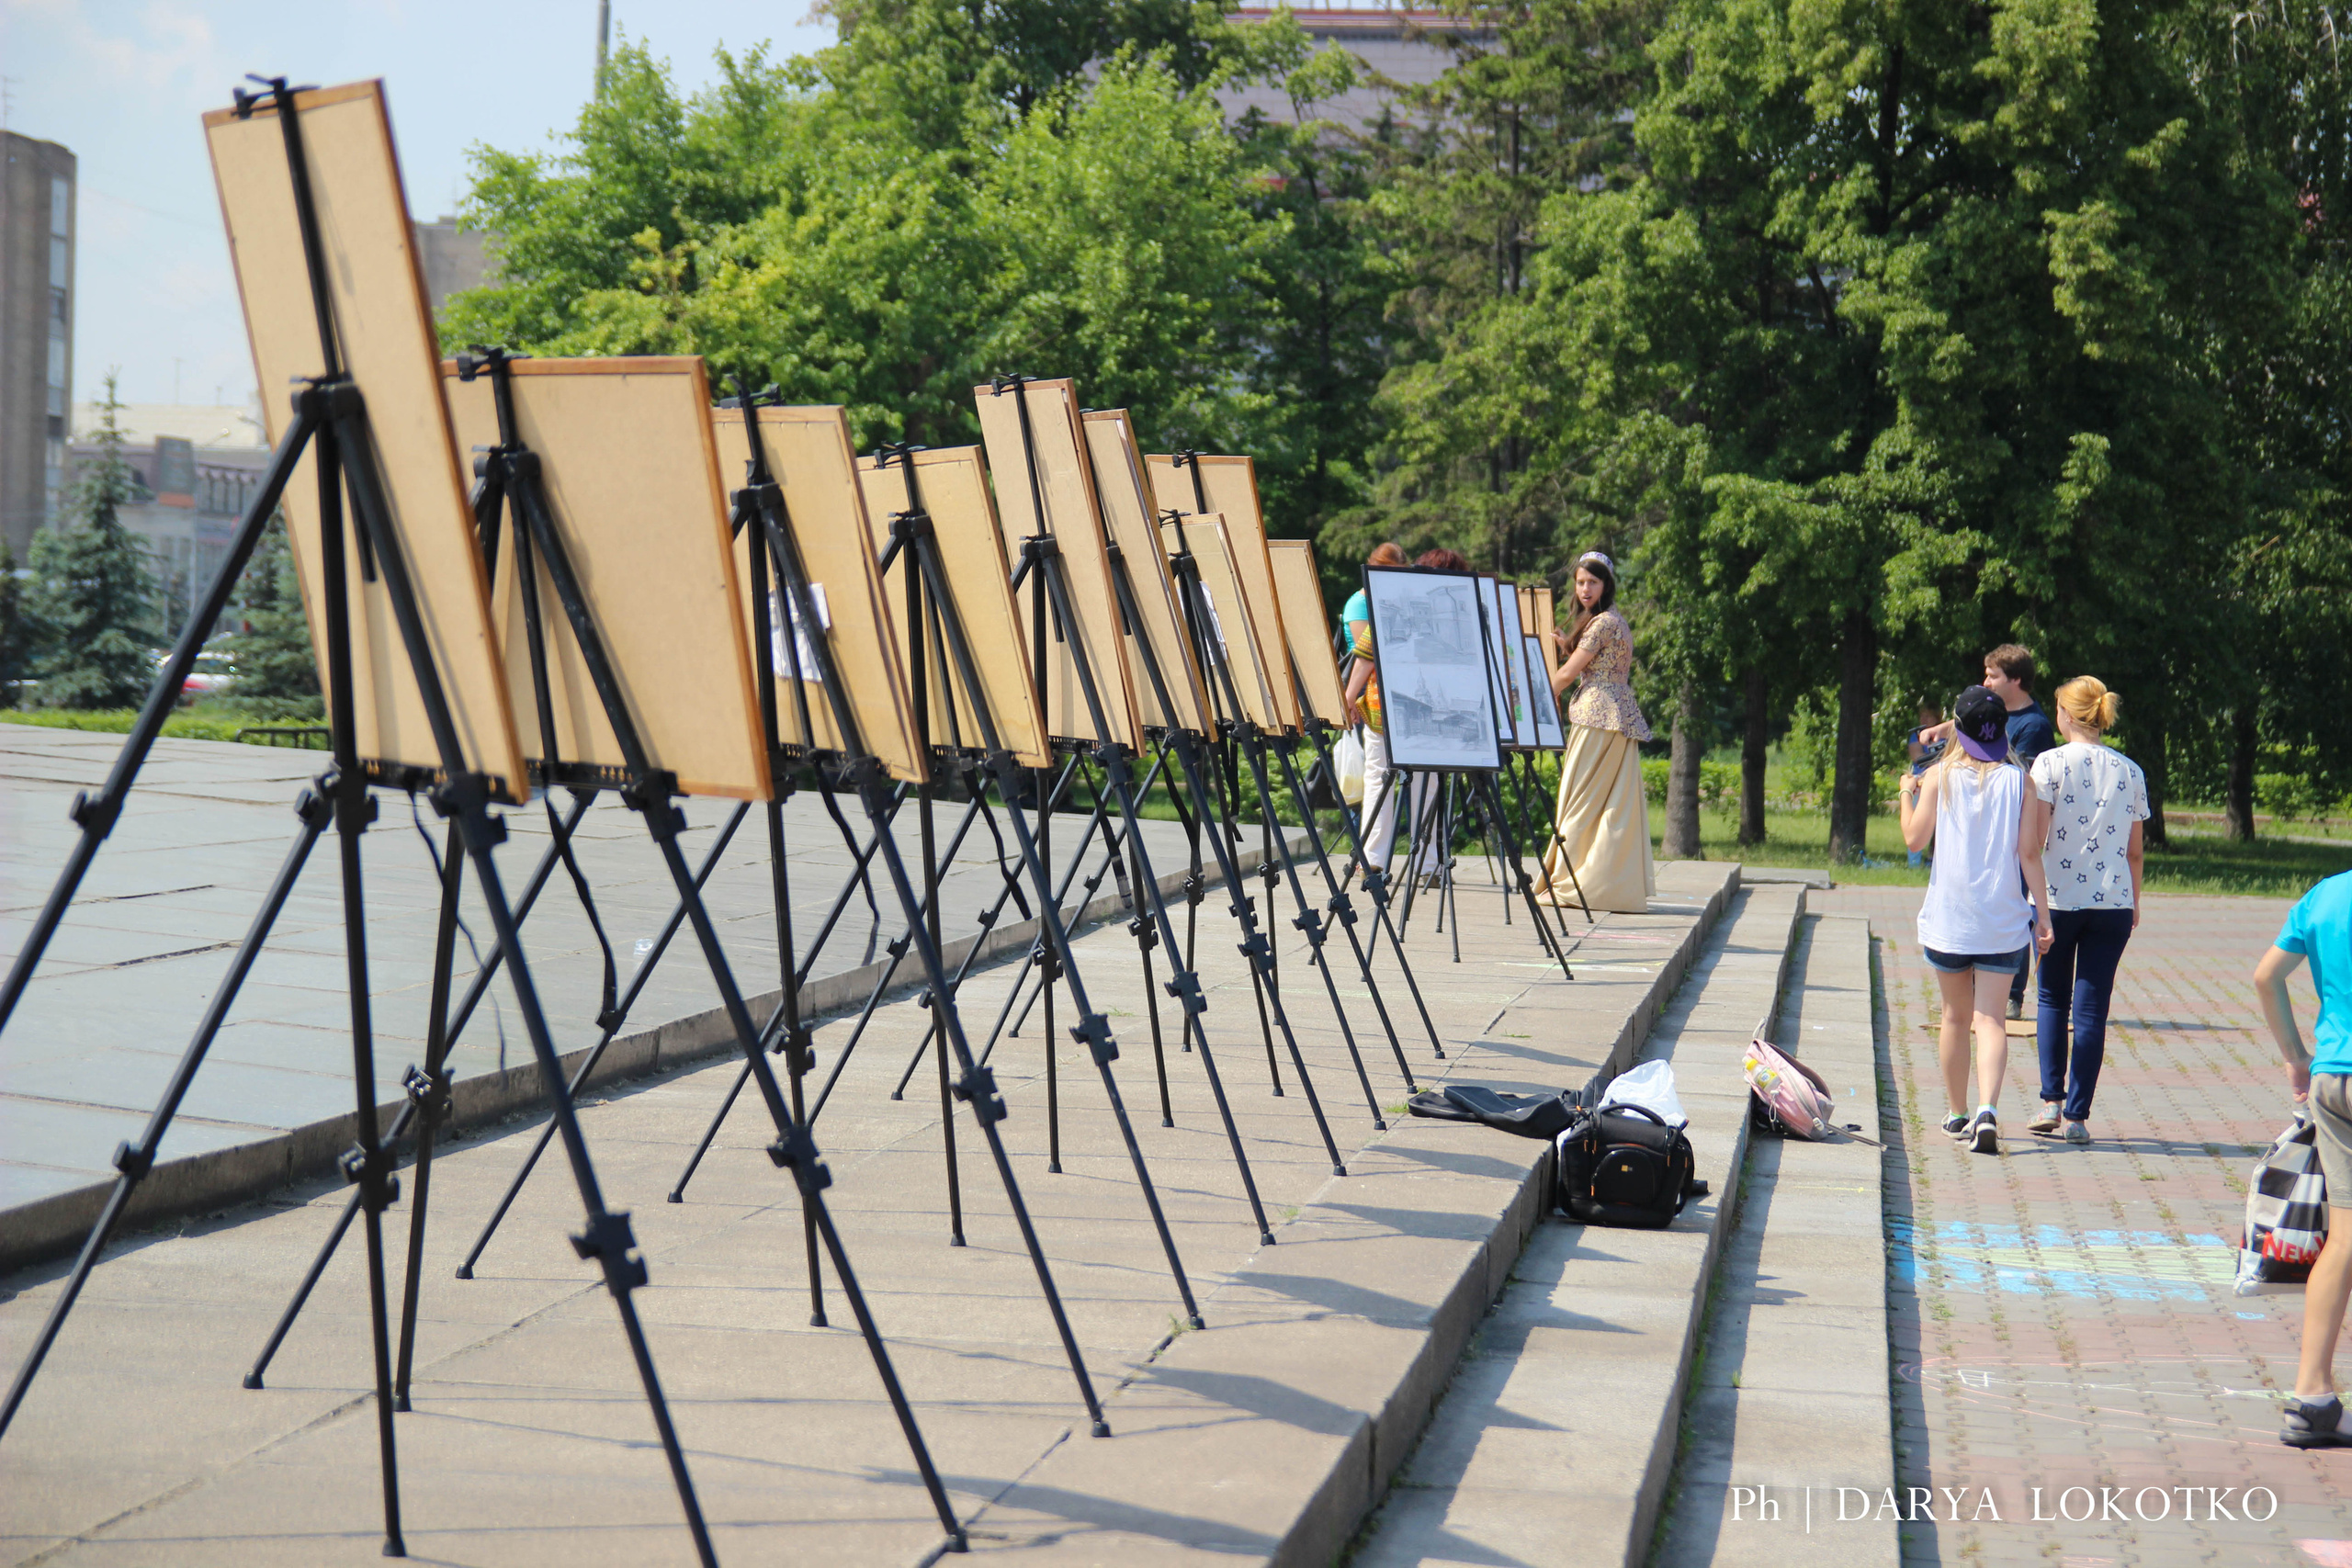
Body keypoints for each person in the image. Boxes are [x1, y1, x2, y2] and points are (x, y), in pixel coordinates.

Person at [1899, 685, 2052, 1155]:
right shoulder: (2021, 781)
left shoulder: (1940, 775)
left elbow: (1914, 840)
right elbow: (2030, 855)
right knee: (1991, 1021)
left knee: (1954, 1017)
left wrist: (1907, 792)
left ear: (1957, 730)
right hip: (2003, 919)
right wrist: (2043, 918)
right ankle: (1989, 1109)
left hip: (1951, 920)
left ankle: (1958, 1112)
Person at [2021, 677, 2148, 1144]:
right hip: (2113, 902)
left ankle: (2049, 1102)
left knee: (2052, 998)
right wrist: (2135, 900)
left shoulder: (2049, 763)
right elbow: (2135, 851)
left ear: (2067, 716)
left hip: (2058, 899)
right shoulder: (2131, 771)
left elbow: (2036, 839)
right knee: (2092, 1010)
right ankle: (2077, 1117)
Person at [2252, 869, 2352, 1448]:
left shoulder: (2325, 894)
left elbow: (2267, 977)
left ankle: (2311, 1396)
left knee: (2343, 1239)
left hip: (2333, 1076)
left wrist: (2295, 1056)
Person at [1923, 646, 2058, 1017]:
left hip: (2008, 831)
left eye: (1993, 675)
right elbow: (1974, 722)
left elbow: (2015, 775)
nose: (1986, 681)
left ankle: (2012, 992)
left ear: (2016, 680)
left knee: (2007, 910)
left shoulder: (2034, 726)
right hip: (1986, 831)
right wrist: (1942, 728)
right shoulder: (1996, 712)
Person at [1535, 549, 1655, 913]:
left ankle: (1571, 878)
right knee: (1608, 802)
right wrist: (1566, 645)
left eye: (1593, 582)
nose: (1585, 589)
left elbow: (1569, 674)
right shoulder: (1611, 621)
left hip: (1597, 717)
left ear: (1607, 585)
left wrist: (1531, 702)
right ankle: (1598, 880)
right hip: (1614, 717)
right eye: (1581, 582)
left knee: (1581, 801)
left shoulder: (1603, 623)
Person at [1401, 548, 1475, 886]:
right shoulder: (1420, 637)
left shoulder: (1455, 624)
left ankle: (1430, 863)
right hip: (1413, 712)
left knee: (1429, 788)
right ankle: (1428, 865)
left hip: (1446, 710)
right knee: (1425, 788)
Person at [1340, 542, 1409, 872]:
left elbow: (1366, 655)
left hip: (1387, 702)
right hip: (1396, 703)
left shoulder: (1386, 604)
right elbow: (1365, 654)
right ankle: (1391, 859)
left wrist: (1348, 696)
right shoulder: (1394, 601)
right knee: (1394, 778)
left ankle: (1376, 857)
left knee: (1380, 777)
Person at [1905, 701, 1946, 868]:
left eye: (1927, 715)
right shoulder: (1916, 735)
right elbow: (1918, 757)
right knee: (1917, 820)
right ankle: (1914, 863)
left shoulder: (1945, 734)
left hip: (1942, 781)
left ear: (1936, 718)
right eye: (1921, 715)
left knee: (1940, 822)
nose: (1923, 718)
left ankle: (1935, 860)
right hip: (1920, 781)